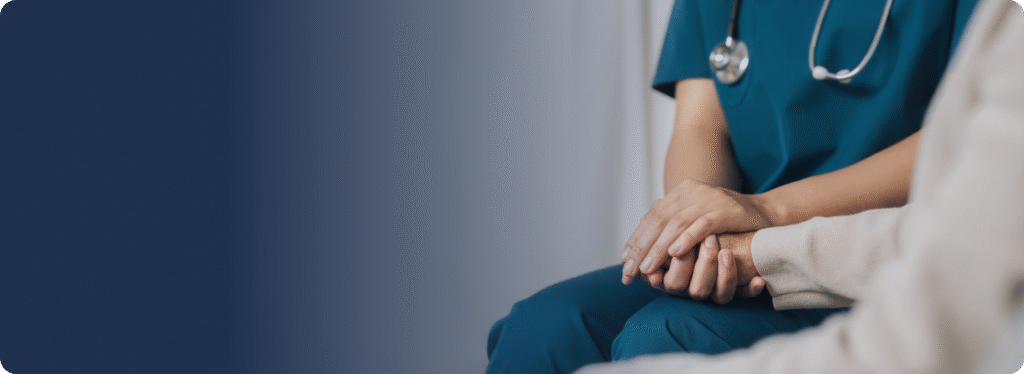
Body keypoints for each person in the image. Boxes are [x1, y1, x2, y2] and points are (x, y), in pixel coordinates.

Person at [486, 0, 979, 372]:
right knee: (542, 329)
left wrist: (768, 211)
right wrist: (696, 238)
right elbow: (700, 126)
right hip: (741, 253)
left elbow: (974, 136)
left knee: (665, 339)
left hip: (874, 259)